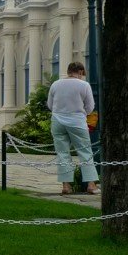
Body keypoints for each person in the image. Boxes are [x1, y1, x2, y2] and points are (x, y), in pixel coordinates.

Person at [47, 61, 99, 195]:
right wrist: (81, 113)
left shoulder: (55, 84)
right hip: (77, 121)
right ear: (80, 72)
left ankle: (66, 186)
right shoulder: (84, 85)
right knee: (85, 152)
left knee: (62, 153)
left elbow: (50, 105)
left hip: (57, 120)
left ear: (69, 71)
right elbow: (90, 106)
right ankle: (91, 185)